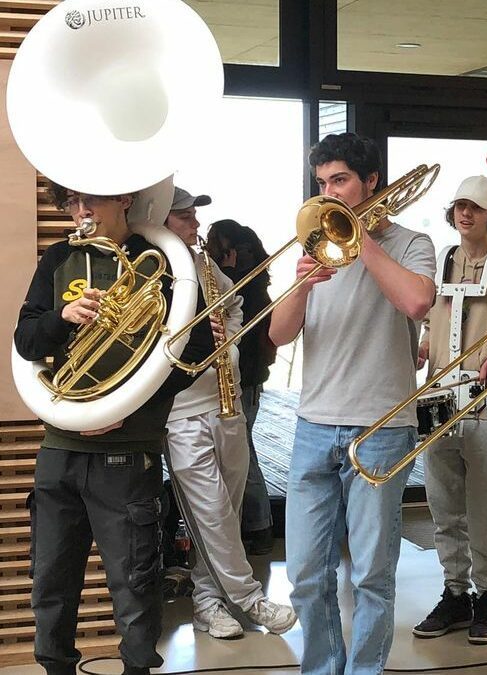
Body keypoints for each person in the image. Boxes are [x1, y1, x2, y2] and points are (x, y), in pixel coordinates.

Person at [15, 184, 215, 675]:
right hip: (59, 448)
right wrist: (63, 317)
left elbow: (190, 357)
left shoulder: (164, 262)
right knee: (50, 580)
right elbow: (25, 339)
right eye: (71, 203)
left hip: (128, 449)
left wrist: (131, 408)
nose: (81, 212)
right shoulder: (59, 258)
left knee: (135, 582)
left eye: (93, 201)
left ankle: (137, 669)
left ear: (124, 199)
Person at [269, 133, 436, 675]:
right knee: (306, 575)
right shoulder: (316, 247)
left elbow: (416, 301)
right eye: (322, 184)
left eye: (339, 180)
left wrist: (360, 240)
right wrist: (300, 285)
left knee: (370, 574)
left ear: (371, 183)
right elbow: (277, 334)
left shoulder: (412, 243)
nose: (329, 193)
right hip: (313, 425)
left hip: (381, 427)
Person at [162, 188, 296, 639]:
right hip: (182, 410)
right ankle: (249, 598)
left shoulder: (202, 264)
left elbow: (235, 301)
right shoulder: (154, 269)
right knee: (211, 509)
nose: (196, 225)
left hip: (228, 400)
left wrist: (230, 340)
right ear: (159, 220)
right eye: (185, 217)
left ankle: (207, 602)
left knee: (227, 509)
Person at [413, 176, 487, 644]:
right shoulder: (444, 258)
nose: (466, 214)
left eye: (475, 208)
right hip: (439, 396)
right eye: (460, 206)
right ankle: (454, 591)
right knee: (444, 503)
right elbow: (432, 316)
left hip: (486, 402)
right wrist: (425, 342)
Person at [205, 219, 277, 555]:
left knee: (242, 454)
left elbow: (231, 324)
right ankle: (255, 526)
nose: (210, 250)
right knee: (240, 453)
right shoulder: (257, 283)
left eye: (216, 245)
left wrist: (229, 273)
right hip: (249, 378)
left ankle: (259, 525)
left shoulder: (243, 287)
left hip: (243, 381)